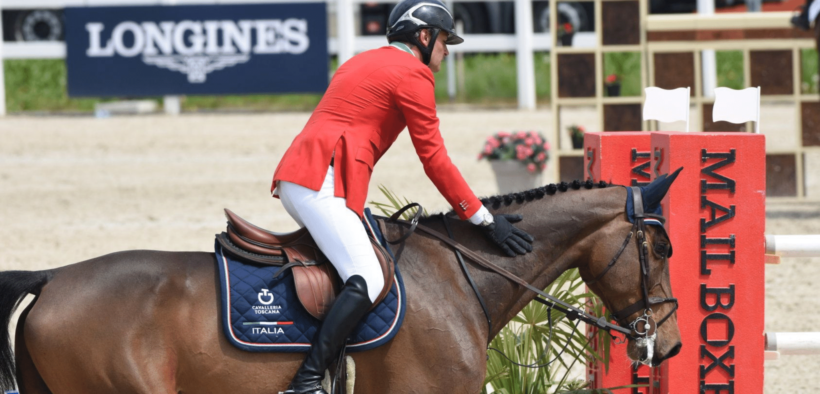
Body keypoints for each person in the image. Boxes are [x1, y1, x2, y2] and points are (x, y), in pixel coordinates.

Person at [270, 0, 534, 393]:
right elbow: (434, 159)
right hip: (320, 182)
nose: (447, 50)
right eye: (444, 40)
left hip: (306, 175)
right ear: (424, 37)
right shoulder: (413, 74)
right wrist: (482, 218)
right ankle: (306, 381)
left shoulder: (362, 60)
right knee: (368, 277)